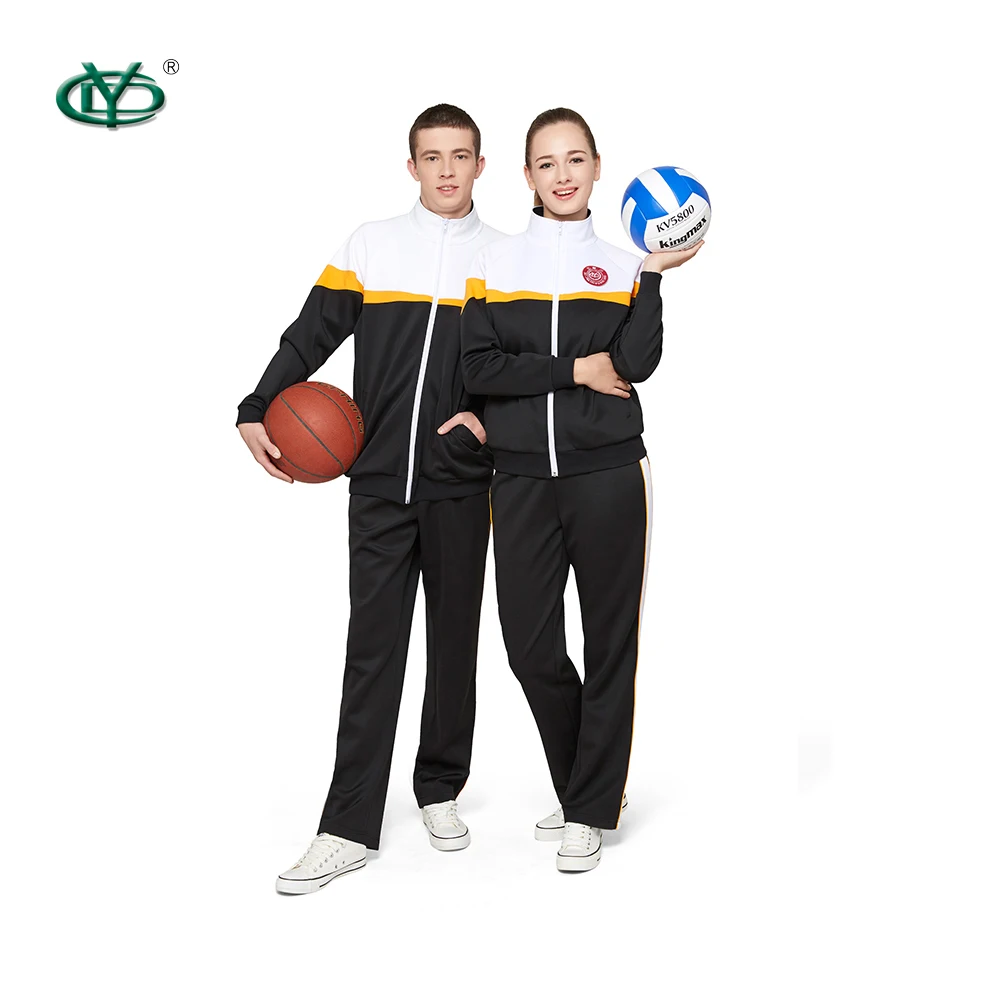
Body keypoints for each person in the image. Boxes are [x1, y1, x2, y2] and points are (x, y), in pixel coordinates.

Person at [236, 104, 506, 893]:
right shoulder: (370, 245)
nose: (447, 170)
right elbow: (310, 333)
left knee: (454, 645)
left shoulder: (506, 258)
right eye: (433, 156)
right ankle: (346, 828)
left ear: (481, 165)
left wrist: (487, 425)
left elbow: (525, 366)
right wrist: (256, 405)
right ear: (412, 166)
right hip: (379, 485)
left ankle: (439, 788)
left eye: (461, 155)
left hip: (463, 484)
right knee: (373, 650)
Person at [461, 107, 703, 872]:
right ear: (527, 176)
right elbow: (479, 367)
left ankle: (590, 808)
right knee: (530, 647)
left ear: (598, 168)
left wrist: (653, 276)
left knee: (609, 644)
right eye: (546, 163)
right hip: (520, 478)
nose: (562, 175)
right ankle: (586, 789)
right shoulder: (494, 263)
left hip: (609, 475)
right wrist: (575, 370)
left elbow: (638, 363)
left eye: (575, 160)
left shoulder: (626, 265)